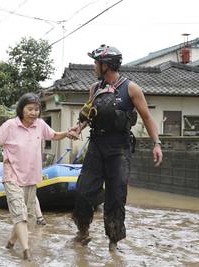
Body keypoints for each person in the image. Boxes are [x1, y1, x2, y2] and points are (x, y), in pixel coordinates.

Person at [68, 44, 163, 251]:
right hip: (96, 145)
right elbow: (88, 115)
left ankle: (113, 242)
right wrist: (78, 127)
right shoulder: (94, 88)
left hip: (119, 149)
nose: (94, 66)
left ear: (106, 65)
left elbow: (147, 117)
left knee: (116, 196)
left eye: (96, 62)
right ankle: (83, 232)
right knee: (83, 191)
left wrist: (157, 143)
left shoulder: (131, 89)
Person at [0, 93, 71, 261]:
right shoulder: (10, 126)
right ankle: (26, 251)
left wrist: (67, 133)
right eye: (30, 109)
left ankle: (10, 242)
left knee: (28, 217)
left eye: (37, 109)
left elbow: (54, 135)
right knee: (20, 213)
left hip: (31, 177)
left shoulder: (40, 125)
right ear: (21, 109)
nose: (34, 113)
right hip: (12, 176)